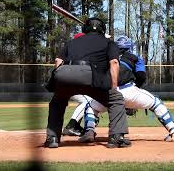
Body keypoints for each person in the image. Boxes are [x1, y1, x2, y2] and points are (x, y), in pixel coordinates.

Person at [63, 36, 174, 143]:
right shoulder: (134, 57)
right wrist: (134, 94)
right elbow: (141, 76)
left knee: (91, 107)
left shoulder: (106, 56)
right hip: (129, 90)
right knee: (157, 104)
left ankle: (89, 131)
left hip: (108, 92)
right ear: (129, 47)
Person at [44, 18, 131, 148]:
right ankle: (116, 137)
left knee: (57, 101)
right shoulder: (109, 43)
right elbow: (114, 63)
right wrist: (113, 87)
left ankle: (52, 138)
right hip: (90, 75)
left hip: (64, 73)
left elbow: (58, 61)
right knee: (116, 99)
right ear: (103, 29)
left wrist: (58, 84)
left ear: (85, 29)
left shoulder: (72, 42)